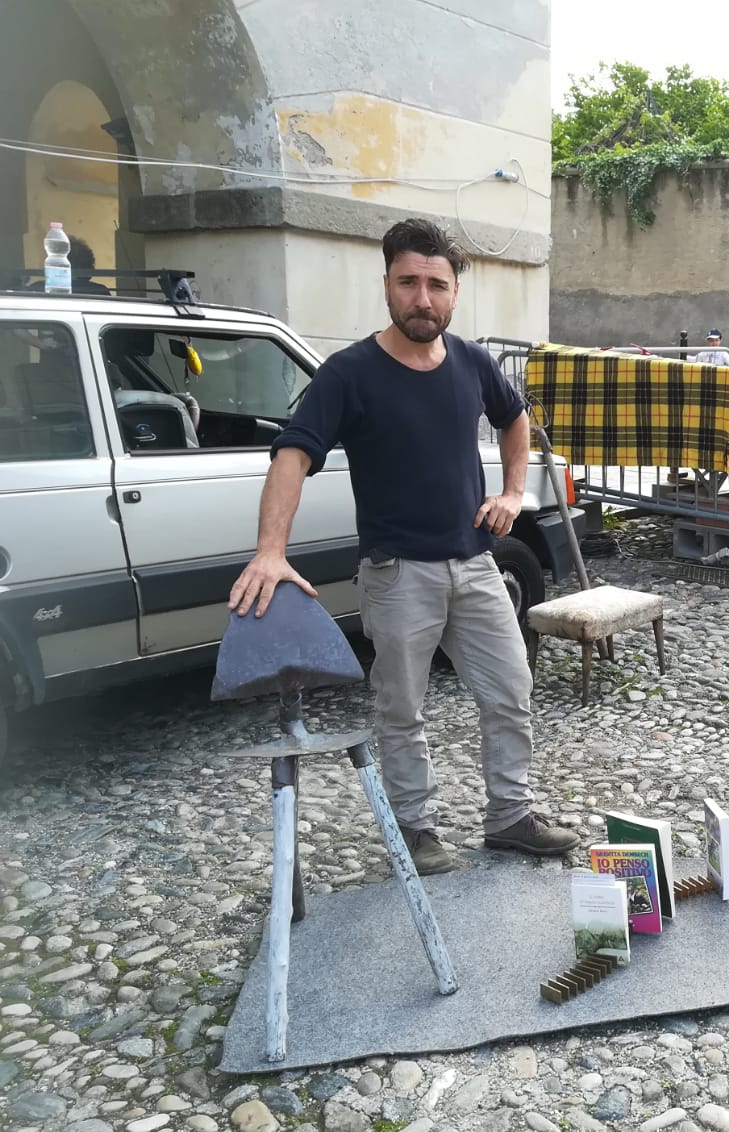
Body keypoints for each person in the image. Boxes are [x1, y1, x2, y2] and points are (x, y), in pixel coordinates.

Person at [227, 218, 578, 875]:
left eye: (436, 285)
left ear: (454, 292)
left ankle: (510, 818)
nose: (423, 299)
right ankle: (415, 832)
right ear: (386, 285)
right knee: (402, 709)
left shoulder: (473, 362)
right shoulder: (350, 373)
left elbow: (514, 418)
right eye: (408, 282)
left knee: (511, 690)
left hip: (475, 563)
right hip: (396, 575)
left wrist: (511, 493)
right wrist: (270, 550)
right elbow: (293, 454)